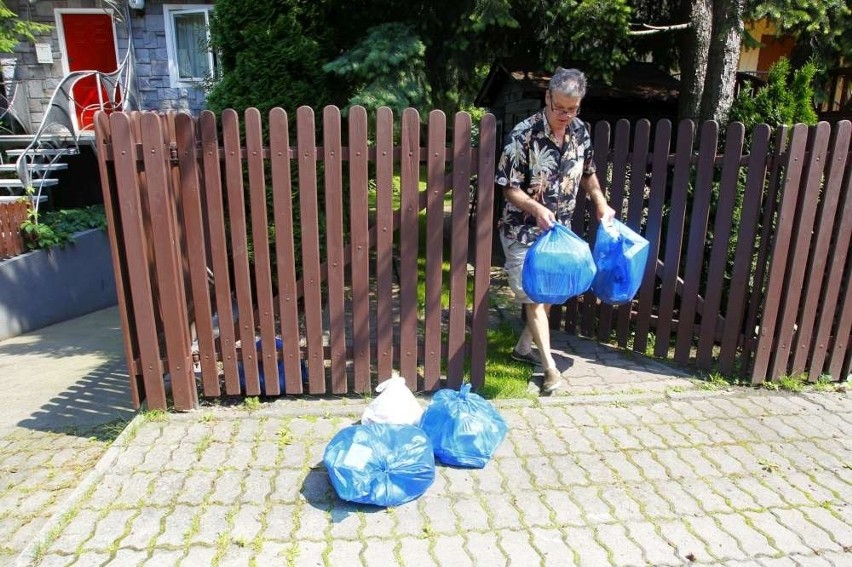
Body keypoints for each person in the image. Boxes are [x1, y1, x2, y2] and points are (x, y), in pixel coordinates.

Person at [495, 67, 615, 394]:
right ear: (547, 97)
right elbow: (508, 187)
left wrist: (600, 203)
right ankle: (550, 370)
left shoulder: (580, 131)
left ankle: (522, 350)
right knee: (535, 296)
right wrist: (535, 208)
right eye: (558, 107)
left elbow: (588, 172)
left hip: (557, 232)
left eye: (572, 109)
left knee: (547, 294)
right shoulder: (524, 135)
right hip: (521, 230)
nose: (564, 115)